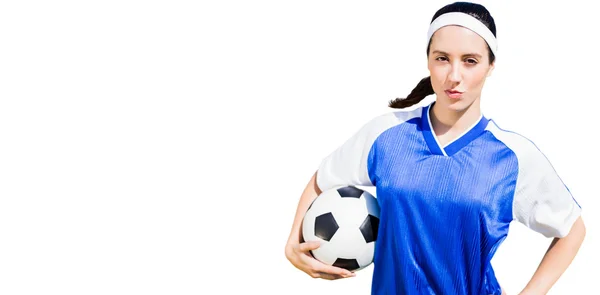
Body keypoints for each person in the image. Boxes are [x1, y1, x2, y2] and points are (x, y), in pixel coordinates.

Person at [284, 1, 586, 295]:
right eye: (443, 58)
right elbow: (323, 179)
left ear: (491, 65)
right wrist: (293, 242)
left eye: (470, 60)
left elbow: (572, 229)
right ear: (428, 60)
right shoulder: (386, 134)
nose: (454, 76)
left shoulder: (512, 158)